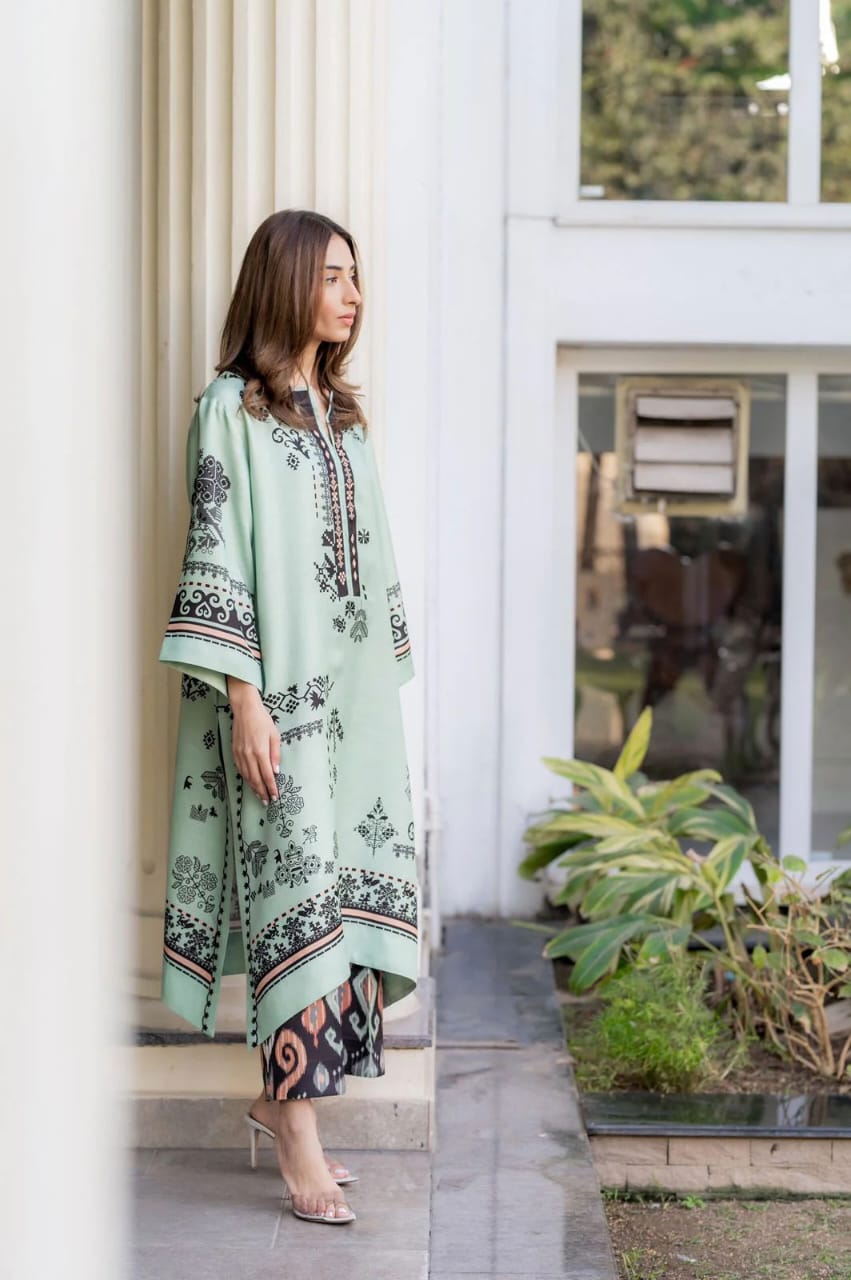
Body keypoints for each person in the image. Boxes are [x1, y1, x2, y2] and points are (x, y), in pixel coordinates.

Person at [157, 209, 419, 1225]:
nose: (353, 295)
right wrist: (245, 701)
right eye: (333, 276)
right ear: (286, 282)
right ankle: (296, 1133)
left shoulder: (342, 415)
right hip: (279, 699)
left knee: (345, 893)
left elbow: (371, 555)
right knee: (293, 894)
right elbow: (217, 548)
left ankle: (282, 1104)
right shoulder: (230, 409)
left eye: (356, 276)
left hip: (355, 704)